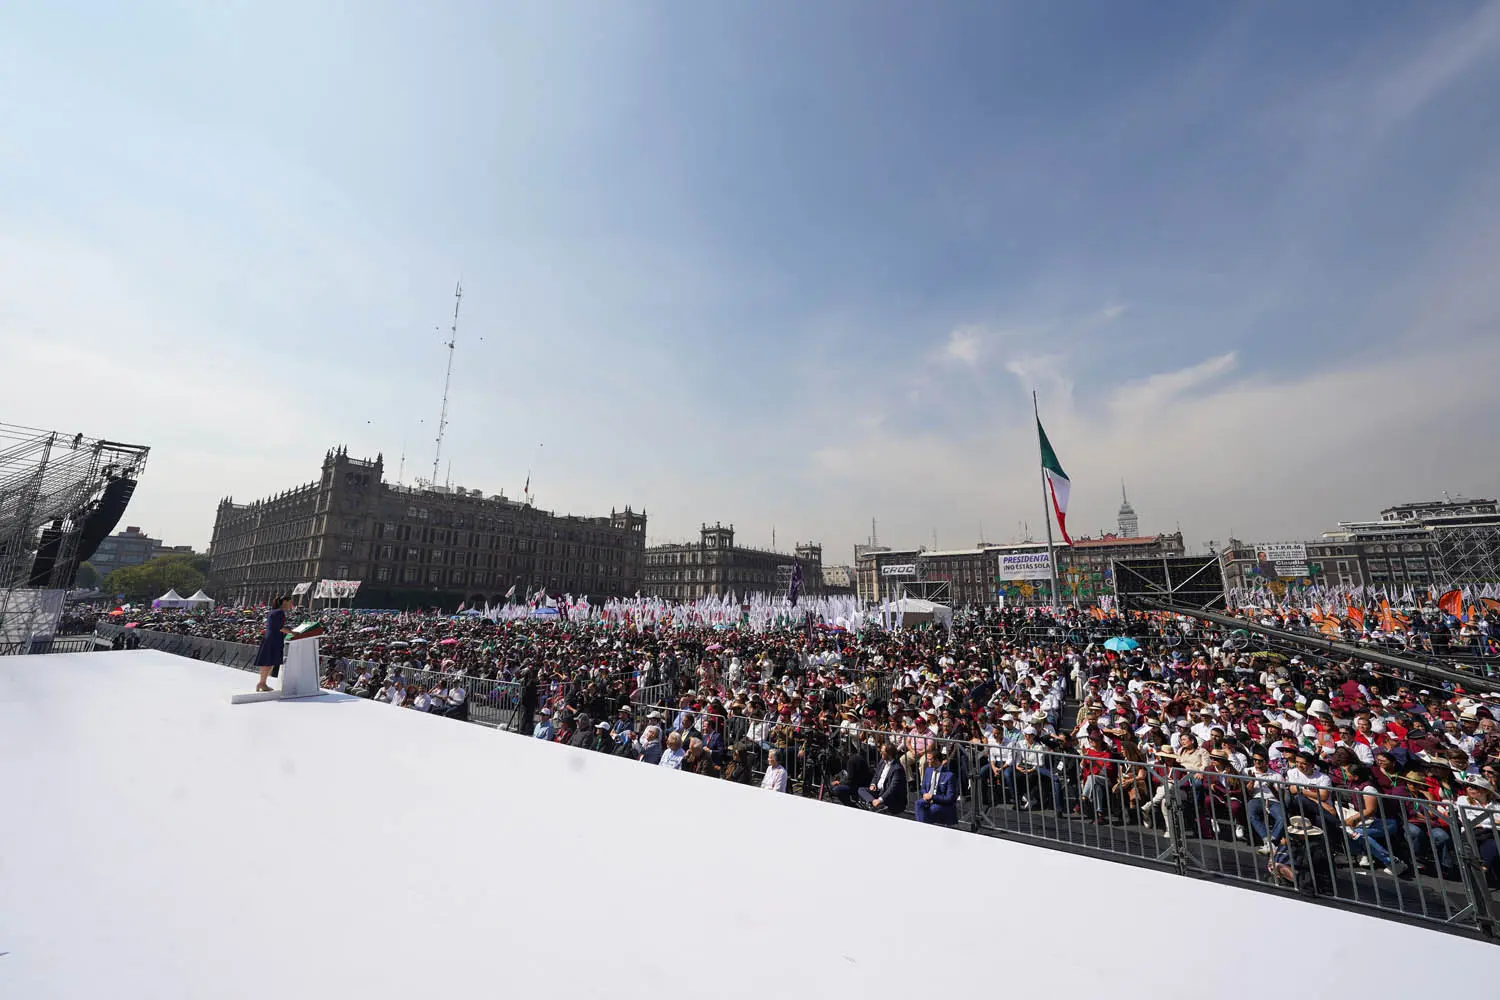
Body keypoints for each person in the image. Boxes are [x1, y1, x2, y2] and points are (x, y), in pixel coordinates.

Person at [253, 596, 293, 692]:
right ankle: (262, 683)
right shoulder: (279, 612)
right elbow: (280, 628)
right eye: (290, 602)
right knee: (269, 661)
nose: (291, 605)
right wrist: (293, 632)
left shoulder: (273, 611)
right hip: (274, 638)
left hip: (270, 637)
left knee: (268, 661)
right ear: (284, 602)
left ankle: (262, 682)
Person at [859, 742, 908, 815]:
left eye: (882, 752)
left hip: (889, 796)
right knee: (861, 790)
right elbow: (876, 775)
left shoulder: (897, 769)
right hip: (878, 791)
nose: (880, 752)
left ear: (889, 754)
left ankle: (876, 805)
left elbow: (892, 788)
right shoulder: (882, 761)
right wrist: (873, 784)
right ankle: (873, 803)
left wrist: (880, 800)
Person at [914, 745, 958, 825]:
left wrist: (932, 797)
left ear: (937, 760)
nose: (927, 761)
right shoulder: (928, 771)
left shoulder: (949, 775)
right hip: (928, 800)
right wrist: (924, 794)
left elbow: (950, 798)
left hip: (941, 803)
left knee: (933, 809)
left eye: (930, 759)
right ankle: (921, 827)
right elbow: (923, 787)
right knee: (918, 803)